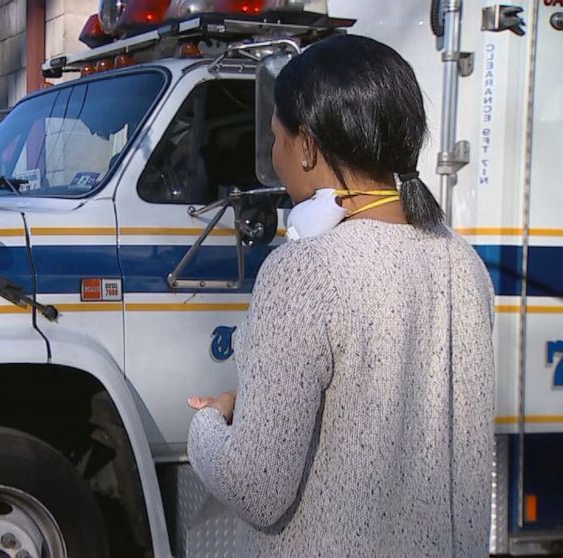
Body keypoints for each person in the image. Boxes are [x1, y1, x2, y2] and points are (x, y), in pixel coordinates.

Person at [186, 34, 495, 557]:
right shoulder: (461, 260)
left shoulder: (303, 270)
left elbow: (256, 487)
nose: (274, 156)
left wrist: (208, 424)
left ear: (307, 147)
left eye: (275, 139)